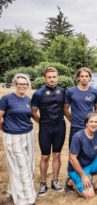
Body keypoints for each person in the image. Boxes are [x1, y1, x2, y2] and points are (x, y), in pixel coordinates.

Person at [0, 73, 36, 205]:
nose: (22, 86)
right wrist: (6, 130)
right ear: (15, 84)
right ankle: (26, 199)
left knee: (29, 166)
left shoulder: (27, 99)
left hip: (28, 134)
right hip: (13, 136)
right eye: (20, 83)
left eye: (25, 84)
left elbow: (29, 116)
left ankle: (12, 190)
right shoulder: (7, 99)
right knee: (21, 167)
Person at [31, 67, 66, 196]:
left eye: (54, 77)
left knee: (57, 155)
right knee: (45, 156)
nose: (52, 79)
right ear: (45, 78)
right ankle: (43, 183)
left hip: (60, 127)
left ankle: (55, 181)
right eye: (49, 77)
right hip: (45, 128)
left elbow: (67, 108)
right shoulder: (38, 93)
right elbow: (33, 112)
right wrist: (42, 122)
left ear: (57, 77)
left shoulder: (62, 91)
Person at [65, 113, 97, 199]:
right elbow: (72, 159)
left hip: (92, 162)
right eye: (91, 122)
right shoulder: (78, 137)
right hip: (78, 169)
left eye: (96, 122)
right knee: (89, 195)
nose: (94, 124)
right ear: (86, 123)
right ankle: (71, 181)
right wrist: (83, 176)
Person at [64, 67, 97, 149]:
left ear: (90, 78)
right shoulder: (70, 91)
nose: (84, 78)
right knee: (73, 151)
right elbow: (65, 109)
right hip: (75, 127)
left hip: (89, 127)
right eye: (82, 76)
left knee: (89, 151)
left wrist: (92, 122)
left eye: (86, 76)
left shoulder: (94, 92)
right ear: (78, 78)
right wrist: (72, 120)